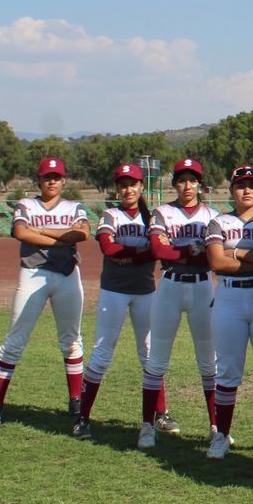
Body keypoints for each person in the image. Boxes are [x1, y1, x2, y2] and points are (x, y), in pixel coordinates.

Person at [0, 157, 90, 427]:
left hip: (67, 274)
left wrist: (41, 230)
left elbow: (82, 234)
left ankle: (76, 400)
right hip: (33, 272)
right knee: (15, 339)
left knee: (72, 340)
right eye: (46, 177)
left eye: (56, 177)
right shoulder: (27, 204)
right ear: (38, 180)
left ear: (64, 180)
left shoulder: (73, 206)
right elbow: (21, 232)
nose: (51, 181)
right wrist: (60, 236)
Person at [75, 163, 164, 440]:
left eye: (133, 183)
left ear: (141, 187)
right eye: (123, 184)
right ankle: (84, 418)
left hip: (145, 291)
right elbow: (107, 247)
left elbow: (156, 252)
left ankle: (160, 414)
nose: (128, 189)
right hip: (114, 291)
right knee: (102, 352)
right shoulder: (110, 214)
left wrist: (131, 255)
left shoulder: (152, 217)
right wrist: (142, 250)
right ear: (117, 188)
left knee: (149, 354)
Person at [140, 157, 220, 449]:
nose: (187, 186)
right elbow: (158, 250)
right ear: (174, 183)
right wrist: (193, 249)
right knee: (157, 359)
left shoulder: (212, 215)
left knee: (209, 362)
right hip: (170, 286)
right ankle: (148, 425)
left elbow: (213, 256)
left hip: (202, 287)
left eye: (192, 180)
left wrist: (180, 249)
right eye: (182, 180)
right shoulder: (162, 212)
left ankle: (216, 427)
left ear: (200, 183)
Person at [203, 165, 253, 460]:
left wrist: (234, 252)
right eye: (240, 185)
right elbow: (216, 264)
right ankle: (221, 434)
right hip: (229, 297)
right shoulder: (218, 222)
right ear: (231, 189)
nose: (246, 190)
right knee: (228, 370)